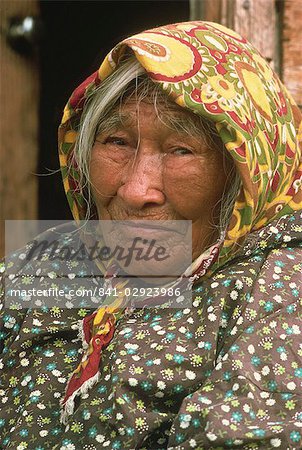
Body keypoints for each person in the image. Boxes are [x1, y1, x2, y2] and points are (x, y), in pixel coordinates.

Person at [1, 20, 301, 450]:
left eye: (181, 150)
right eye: (117, 142)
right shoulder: (52, 264)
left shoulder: (281, 288)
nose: (137, 190)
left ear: (244, 175)